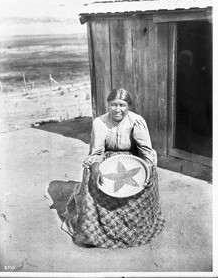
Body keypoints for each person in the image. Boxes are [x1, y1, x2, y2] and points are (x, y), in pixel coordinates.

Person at [61, 88, 165, 248]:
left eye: (122, 105)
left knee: (148, 179)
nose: (118, 109)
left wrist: (148, 170)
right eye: (113, 105)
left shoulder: (136, 121)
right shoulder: (100, 122)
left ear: (129, 106)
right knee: (90, 174)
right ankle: (94, 230)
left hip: (133, 160)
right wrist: (96, 168)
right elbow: (96, 152)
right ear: (108, 105)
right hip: (107, 159)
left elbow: (146, 151)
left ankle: (136, 228)